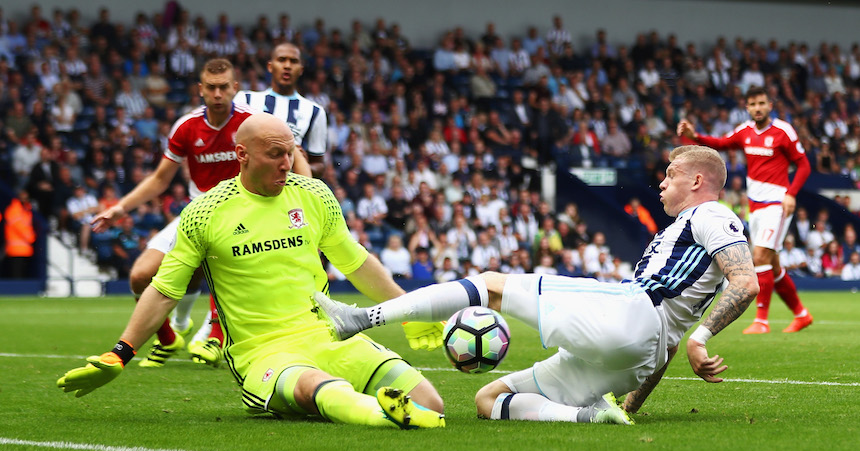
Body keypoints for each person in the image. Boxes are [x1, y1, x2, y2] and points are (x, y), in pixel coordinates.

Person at [314, 145, 758, 423]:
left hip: (631, 312)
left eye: (670, 175)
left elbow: (746, 282)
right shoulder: (682, 235)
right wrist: (632, 403)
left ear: (697, 180)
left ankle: (361, 318)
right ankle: (589, 417)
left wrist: (702, 338)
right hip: (637, 358)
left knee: (489, 284)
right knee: (489, 400)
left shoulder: (711, 214)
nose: (661, 184)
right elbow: (668, 345)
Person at [58, 113, 445, 430]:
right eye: (274, 154)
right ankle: (384, 416)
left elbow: (356, 262)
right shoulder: (206, 212)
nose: (285, 164)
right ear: (241, 154)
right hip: (263, 353)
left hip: (330, 336)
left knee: (432, 401)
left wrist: (408, 312)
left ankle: (405, 415)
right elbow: (163, 291)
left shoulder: (313, 194)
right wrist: (120, 353)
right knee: (319, 389)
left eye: (290, 153)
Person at [90, 59, 305, 367]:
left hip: (241, 212)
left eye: (224, 87)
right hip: (197, 212)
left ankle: (216, 339)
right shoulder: (187, 126)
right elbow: (160, 178)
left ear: (234, 88)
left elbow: (289, 153)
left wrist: (305, 192)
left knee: (222, 268)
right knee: (140, 276)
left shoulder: (252, 123)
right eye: (211, 88)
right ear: (200, 90)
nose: (218, 94)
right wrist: (120, 208)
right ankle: (168, 339)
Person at [677, 86, 813, 334]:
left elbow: (803, 165)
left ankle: (761, 320)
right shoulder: (745, 132)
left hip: (777, 203)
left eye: (762, 103)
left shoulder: (783, 131)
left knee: (759, 257)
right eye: (752, 104)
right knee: (772, 265)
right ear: (747, 107)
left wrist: (791, 194)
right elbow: (720, 143)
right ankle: (801, 314)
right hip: (756, 206)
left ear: (770, 105)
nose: (757, 108)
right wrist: (694, 135)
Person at [236, 43, 327, 177]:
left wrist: (300, 165)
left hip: (290, 191)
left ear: (301, 69)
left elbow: (319, 165)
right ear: (270, 66)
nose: (287, 66)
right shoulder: (245, 100)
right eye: (282, 60)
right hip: (251, 189)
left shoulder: (315, 111)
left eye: (293, 61)